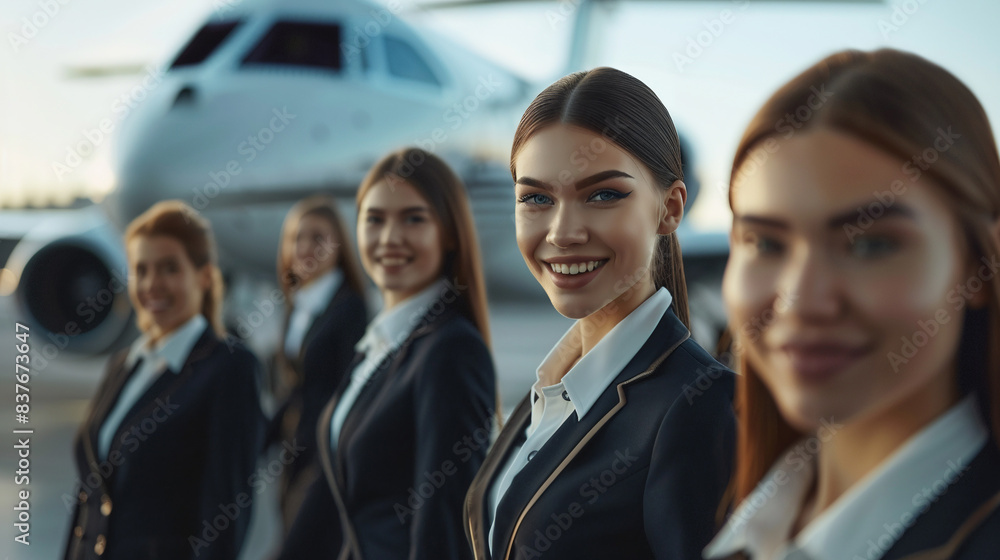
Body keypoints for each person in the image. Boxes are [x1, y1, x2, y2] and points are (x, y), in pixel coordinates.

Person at [704, 49, 1000, 560]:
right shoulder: (747, 517)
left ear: (978, 266)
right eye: (767, 243)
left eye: (871, 245)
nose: (802, 302)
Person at [465, 67, 736, 560]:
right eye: (536, 198)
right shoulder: (552, 391)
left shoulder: (700, 407)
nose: (562, 232)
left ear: (670, 208)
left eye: (603, 195)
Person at [284, 147, 496, 560]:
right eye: (375, 219)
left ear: (449, 232)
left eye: (413, 218)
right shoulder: (379, 346)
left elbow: (443, 529)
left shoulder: (451, 351)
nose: (389, 238)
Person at [63, 200, 264, 560]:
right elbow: (89, 498)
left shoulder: (230, 369)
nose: (153, 284)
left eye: (170, 268)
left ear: (203, 276)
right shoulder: (124, 364)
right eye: (142, 270)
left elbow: (224, 520)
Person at [268, 195, 368, 529]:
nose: (305, 246)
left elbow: (346, 392)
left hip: (324, 458)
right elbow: (297, 388)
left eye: (318, 238)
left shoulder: (349, 309)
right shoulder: (298, 305)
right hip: (294, 453)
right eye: (297, 237)